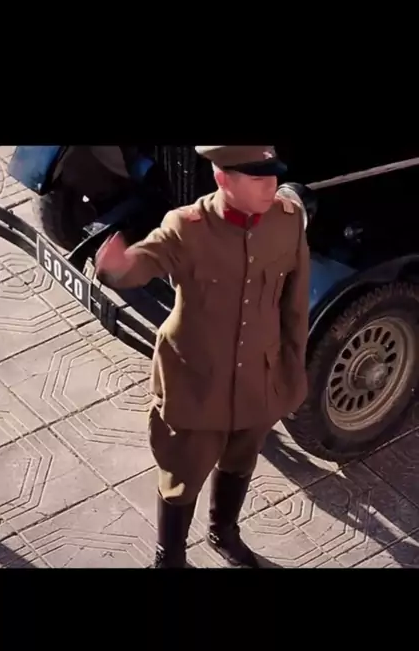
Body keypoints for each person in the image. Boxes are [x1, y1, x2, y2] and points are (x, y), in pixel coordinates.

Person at [95, 145, 310, 568]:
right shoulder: (187, 227)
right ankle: (170, 555)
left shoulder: (287, 221)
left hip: (258, 377)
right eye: (257, 178)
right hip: (197, 379)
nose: (271, 186)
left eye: (273, 175)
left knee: (241, 458)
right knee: (183, 470)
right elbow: (148, 258)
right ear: (223, 179)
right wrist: (119, 267)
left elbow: (295, 305)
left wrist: (290, 371)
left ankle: (223, 531)